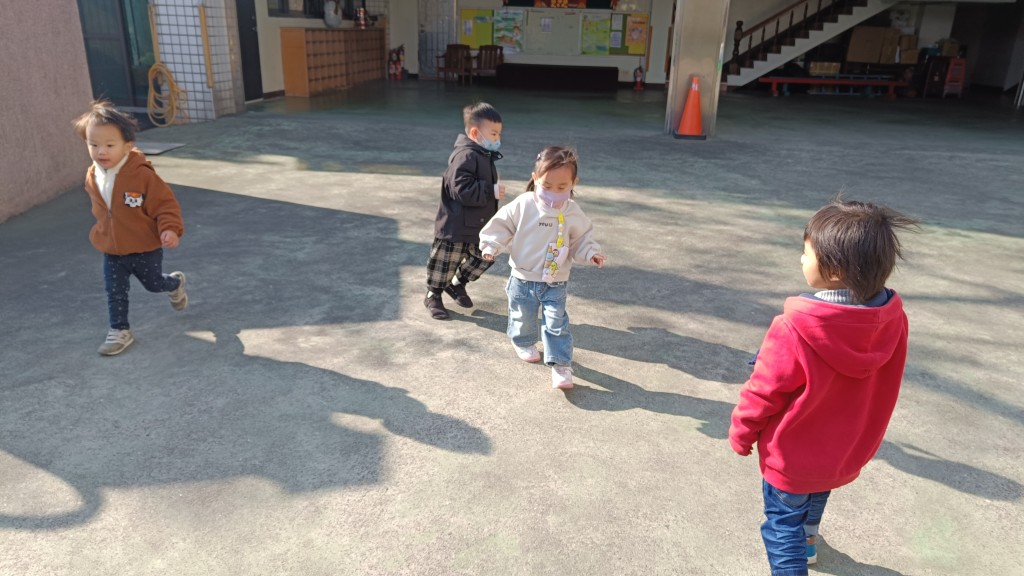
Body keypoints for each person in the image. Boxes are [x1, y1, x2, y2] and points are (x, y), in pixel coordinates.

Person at [729, 198, 919, 575]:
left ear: (834, 269)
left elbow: (763, 392)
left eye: (806, 253)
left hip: (792, 454)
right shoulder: (893, 321)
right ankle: (810, 543)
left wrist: (741, 431)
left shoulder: (792, 328)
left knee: (782, 525)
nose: (801, 259)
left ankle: (797, 556)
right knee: (817, 491)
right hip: (844, 448)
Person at [479, 146, 606, 390]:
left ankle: (561, 365)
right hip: (522, 278)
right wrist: (491, 246)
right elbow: (502, 225)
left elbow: (581, 239)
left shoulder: (572, 211)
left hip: (555, 281)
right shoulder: (524, 204)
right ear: (535, 178)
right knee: (522, 315)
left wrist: (591, 253)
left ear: (574, 183)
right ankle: (523, 341)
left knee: (557, 323)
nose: (554, 193)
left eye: (562, 187)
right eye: (547, 186)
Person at [72, 100, 188, 356]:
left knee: (154, 284)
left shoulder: (142, 175)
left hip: (144, 246)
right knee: (114, 291)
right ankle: (119, 330)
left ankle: (174, 283)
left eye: (109, 145)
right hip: (112, 248)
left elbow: (165, 205)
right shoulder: (92, 174)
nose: (101, 151)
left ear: (127, 146)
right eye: (93, 145)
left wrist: (169, 229)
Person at [424, 102, 507, 320]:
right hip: (456, 225)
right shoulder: (466, 155)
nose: (498, 138)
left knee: (485, 256)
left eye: (499, 133)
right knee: (444, 262)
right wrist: (490, 190)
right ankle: (433, 294)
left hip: (478, 225)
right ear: (475, 133)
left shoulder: (483, 154)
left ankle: (457, 283)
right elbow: (460, 188)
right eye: (493, 133)